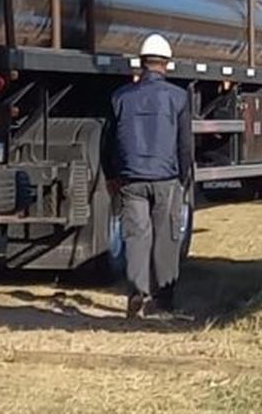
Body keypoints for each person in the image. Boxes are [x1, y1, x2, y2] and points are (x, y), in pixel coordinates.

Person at [105, 33, 193, 320]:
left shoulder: (119, 97)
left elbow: (107, 142)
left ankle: (136, 294)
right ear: (166, 64)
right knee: (166, 238)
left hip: (131, 180)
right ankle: (163, 302)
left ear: (140, 64)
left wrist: (111, 175)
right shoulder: (178, 97)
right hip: (166, 178)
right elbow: (184, 144)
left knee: (136, 237)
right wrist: (184, 175)